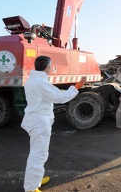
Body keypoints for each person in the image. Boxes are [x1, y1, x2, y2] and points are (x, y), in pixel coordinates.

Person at [21, 56, 86, 192]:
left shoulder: (33, 80)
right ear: (47, 67)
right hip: (39, 122)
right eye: (50, 66)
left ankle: (36, 180)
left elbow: (53, 94)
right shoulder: (40, 83)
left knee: (38, 152)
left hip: (36, 120)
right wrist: (77, 87)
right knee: (38, 154)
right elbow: (61, 97)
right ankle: (31, 188)